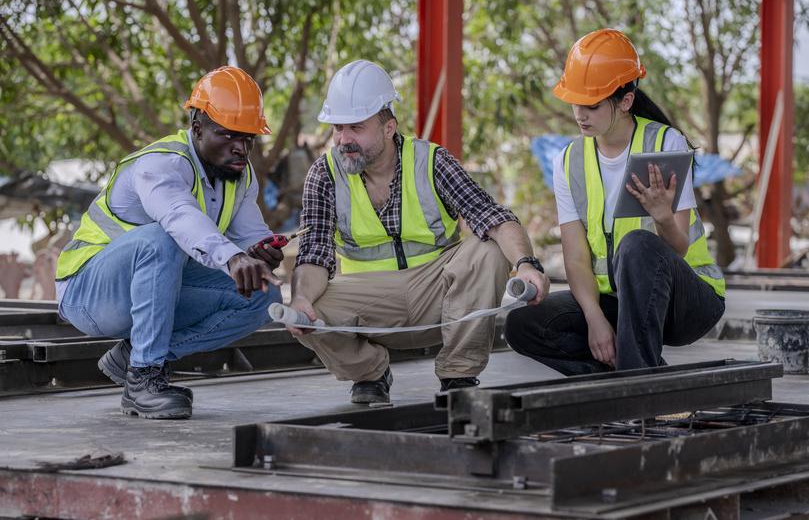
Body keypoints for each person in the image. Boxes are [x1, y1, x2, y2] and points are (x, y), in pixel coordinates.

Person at [287, 60, 549, 404]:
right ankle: (370, 373)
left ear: (387, 127)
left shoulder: (432, 162)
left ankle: (458, 374)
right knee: (305, 310)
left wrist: (527, 264)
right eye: (338, 128)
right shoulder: (324, 175)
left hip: (438, 294)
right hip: (372, 303)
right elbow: (314, 254)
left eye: (355, 127)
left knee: (488, 249)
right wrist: (302, 298)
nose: (343, 139)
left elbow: (492, 216)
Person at [55, 66, 284, 419]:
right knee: (161, 239)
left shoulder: (239, 176)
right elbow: (180, 218)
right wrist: (233, 258)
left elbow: (250, 233)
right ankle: (145, 378)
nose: (241, 148)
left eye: (248, 138)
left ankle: (134, 358)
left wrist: (259, 253)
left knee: (263, 295)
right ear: (197, 129)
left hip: (155, 290)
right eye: (228, 135)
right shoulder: (160, 164)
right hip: (89, 294)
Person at [505, 29, 726, 375]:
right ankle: (624, 374)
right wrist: (595, 319)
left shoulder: (665, 144)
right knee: (523, 324)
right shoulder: (569, 160)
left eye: (591, 105)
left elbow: (679, 247)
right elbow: (576, 257)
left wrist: (663, 217)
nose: (580, 115)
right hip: (617, 303)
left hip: (687, 301)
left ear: (625, 101)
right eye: (576, 103)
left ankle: (638, 394)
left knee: (637, 244)